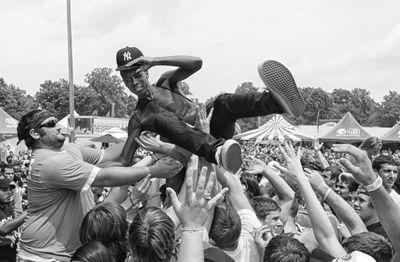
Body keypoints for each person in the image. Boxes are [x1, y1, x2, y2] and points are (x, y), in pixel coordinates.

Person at [16, 109, 183, 261]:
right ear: (35, 134)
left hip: (63, 251)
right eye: (51, 124)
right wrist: (153, 170)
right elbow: (104, 177)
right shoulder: (49, 162)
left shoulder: (67, 149)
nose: (59, 126)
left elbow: (110, 155)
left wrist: (145, 138)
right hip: (43, 255)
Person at [115, 47, 305, 174]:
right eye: (127, 80)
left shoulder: (165, 83)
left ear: (147, 71)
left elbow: (197, 63)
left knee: (222, 102)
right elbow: (124, 160)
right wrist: (89, 167)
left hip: (213, 127)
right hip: (192, 149)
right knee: (160, 119)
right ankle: (218, 154)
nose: (134, 82)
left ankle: (276, 102)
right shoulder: (139, 117)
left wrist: (156, 60)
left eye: (138, 75)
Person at [0, 176, 26, 262]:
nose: (9, 193)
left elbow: (14, 225)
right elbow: (3, 229)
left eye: (9, 190)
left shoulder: (7, 206)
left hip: (11, 253)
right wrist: (30, 211)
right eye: (4, 190)